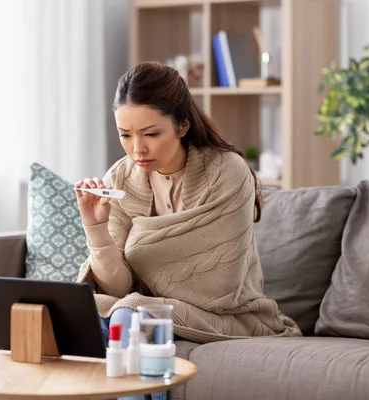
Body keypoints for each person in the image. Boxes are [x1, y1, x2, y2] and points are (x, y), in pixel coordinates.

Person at [75, 61, 301, 400]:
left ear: (182, 125)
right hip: (148, 310)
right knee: (81, 309)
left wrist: (139, 250)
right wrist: (96, 228)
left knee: (131, 311)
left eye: (151, 134)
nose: (138, 149)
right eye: (125, 135)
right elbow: (118, 287)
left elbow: (219, 287)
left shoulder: (226, 171)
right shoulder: (121, 179)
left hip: (231, 315)